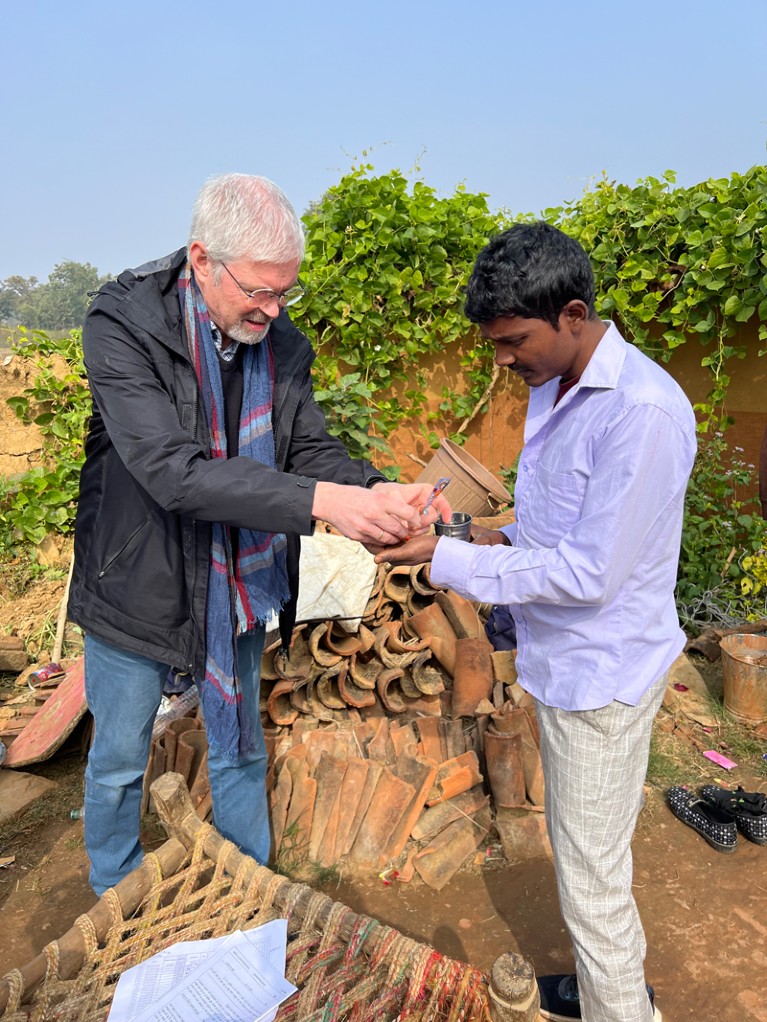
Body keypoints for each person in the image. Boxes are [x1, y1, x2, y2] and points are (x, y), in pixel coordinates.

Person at [68, 173, 450, 896]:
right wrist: (321, 500)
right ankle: (114, 895)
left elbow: (307, 449)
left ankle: (250, 895)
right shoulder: (123, 322)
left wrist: (371, 489)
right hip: (136, 579)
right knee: (118, 759)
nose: (272, 310)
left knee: (240, 750)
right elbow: (172, 473)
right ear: (202, 259)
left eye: (285, 293)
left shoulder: (278, 343)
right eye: (259, 291)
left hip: (236, 586)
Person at [376, 222, 696, 1022]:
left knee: (592, 884)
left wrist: (443, 563)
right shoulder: (556, 389)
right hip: (568, 664)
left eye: (513, 341)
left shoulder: (641, 413)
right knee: (584, 857)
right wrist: (459, 536)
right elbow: (547, 534)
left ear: (574, 314)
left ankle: (619, 1010)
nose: (501, 360)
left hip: (603, 675)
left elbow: (587, 574)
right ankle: (600, 992)